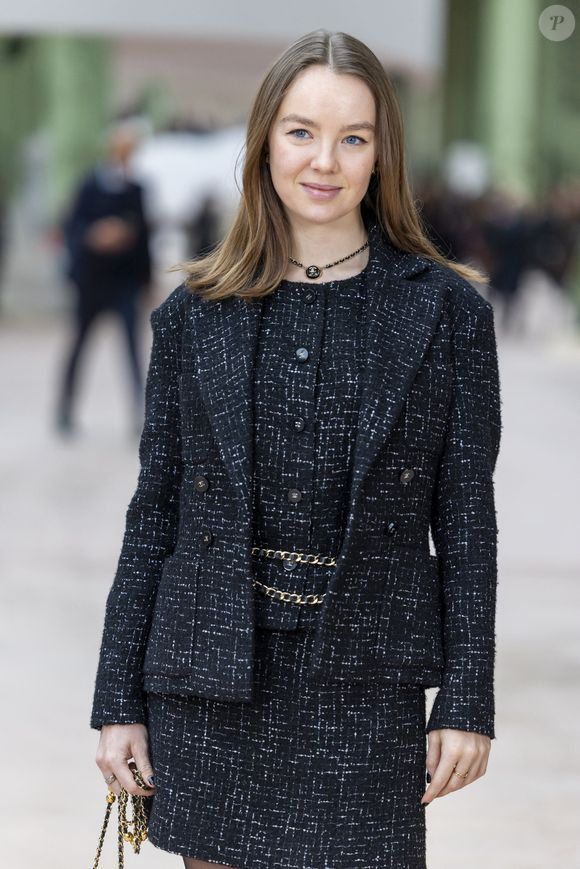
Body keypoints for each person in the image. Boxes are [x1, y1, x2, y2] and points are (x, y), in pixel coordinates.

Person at [90, 30, 502, 869]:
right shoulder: (193, 313)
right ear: (264, 143)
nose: (326, 160)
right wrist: (115, 699)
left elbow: (466, 520)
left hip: (365, 679)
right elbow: (154, 514)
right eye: (301, 131)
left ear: (382, 153)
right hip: (209, 675)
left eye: (354, 136)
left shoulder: (448, 316)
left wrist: (467, 695)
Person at [55, 121, 152, 437]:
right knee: (80, 345)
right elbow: (71, 227)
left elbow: (144, 237)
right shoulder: (89, 185)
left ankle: (140, 415)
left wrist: (146, 279)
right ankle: (65, 409)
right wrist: (94, 236)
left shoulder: (137, 189)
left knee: (131, 350)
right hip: (92, 282)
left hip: (124, 283)